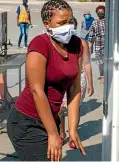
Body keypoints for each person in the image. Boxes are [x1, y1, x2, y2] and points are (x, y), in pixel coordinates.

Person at [7, 0, 86, 161]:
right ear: (47, 23)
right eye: (62, 22)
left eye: (70, 21)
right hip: (27, 121)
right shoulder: (40, 44)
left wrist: (72, 129)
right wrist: (52, 133)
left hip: (50, 118)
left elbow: (75, 89)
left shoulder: (77, 44)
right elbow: (37, 91)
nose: (68, 26)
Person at [59, 17, 94, 147]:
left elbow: (87, 64)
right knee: (60, 109)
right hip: (62, 79)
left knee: (75, 107)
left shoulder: (82, 43)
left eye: (71, 26)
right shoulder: (58, 42)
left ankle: (73, 134)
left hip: (79, 78)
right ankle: (62, 133)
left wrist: (90, 83)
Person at [88, 5, 105, 84]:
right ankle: (102, 76)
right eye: (99, 12)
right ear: (96, 13)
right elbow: (91, 35)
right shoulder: (94, 22)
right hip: (98, 44)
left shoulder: (108, 21)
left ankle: (108, 75)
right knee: (100, 61)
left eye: (102, 12)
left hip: (107, 44)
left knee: (108, 60)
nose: (100, 13)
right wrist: (90, 46)